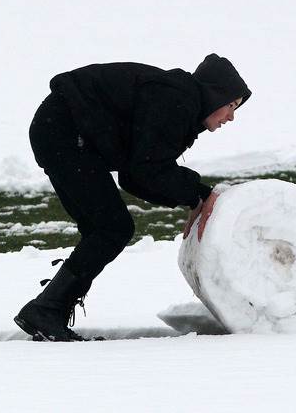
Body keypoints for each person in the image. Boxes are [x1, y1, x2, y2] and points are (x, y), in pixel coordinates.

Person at [14, 54, 251, 341]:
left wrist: (193, 197)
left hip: (58, 130)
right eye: (231, 106)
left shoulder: (178, 100)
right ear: (215, 95)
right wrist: (199, 194)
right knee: (112, 227)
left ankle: (49, 311)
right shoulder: (177, 100)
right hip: (65, 132)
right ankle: (46, 310)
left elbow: (136, 175)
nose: (231, 117)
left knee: (103, 228)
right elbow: (146, 169)